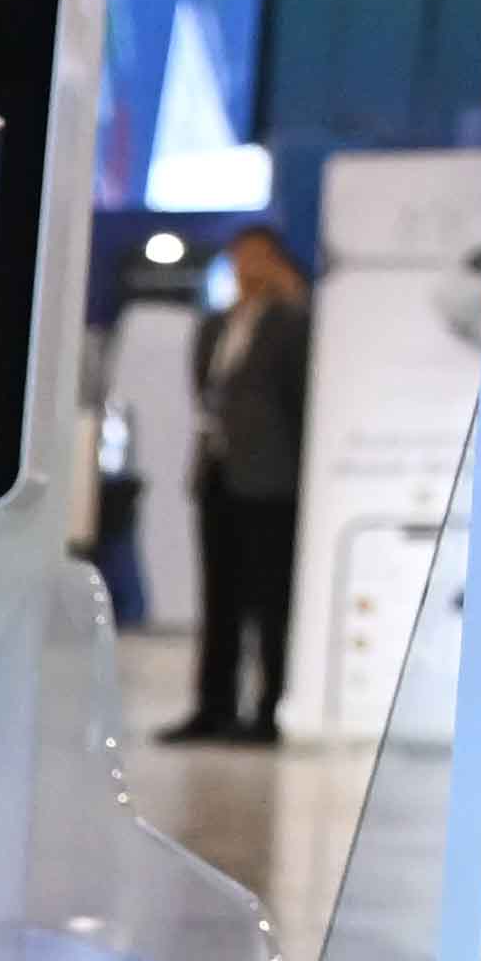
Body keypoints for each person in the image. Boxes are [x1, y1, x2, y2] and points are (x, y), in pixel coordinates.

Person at [181, 229, 313, 745]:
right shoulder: (216, 323)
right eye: (238, 257)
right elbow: (205, 393)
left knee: (269, 598)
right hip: (217, 473)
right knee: (219, 597)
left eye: (255, 257)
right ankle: (212, 707)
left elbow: (299, 402)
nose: (245, 267)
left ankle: (267, 709)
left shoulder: (293, 323)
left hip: (271, 481)